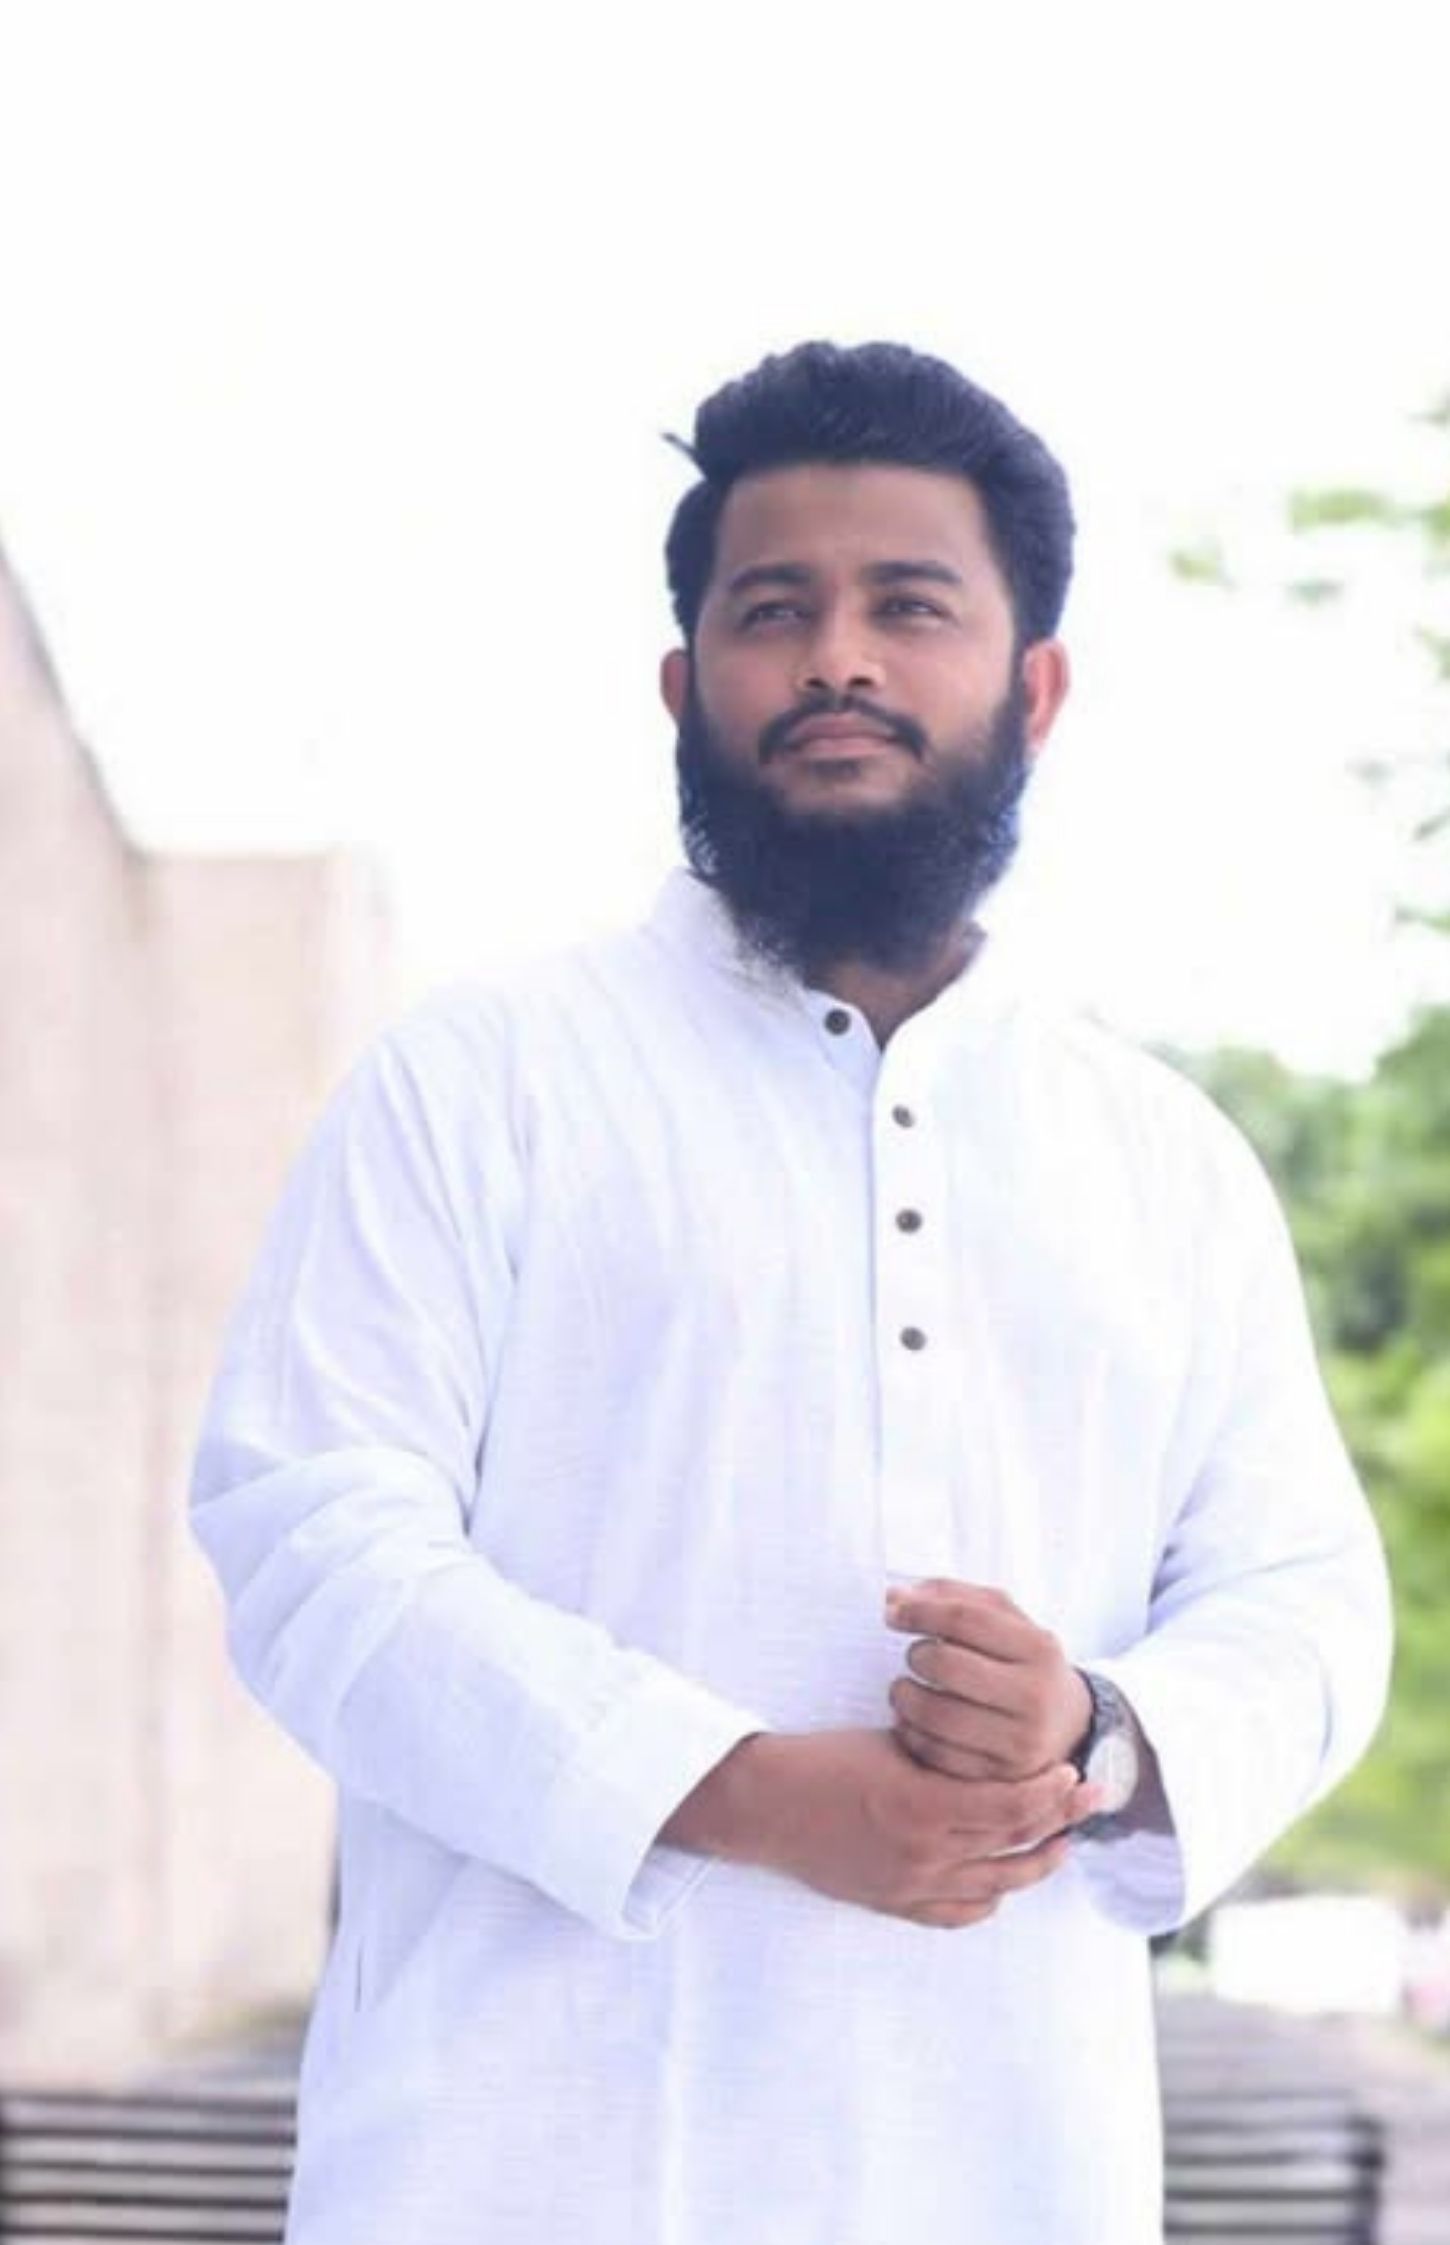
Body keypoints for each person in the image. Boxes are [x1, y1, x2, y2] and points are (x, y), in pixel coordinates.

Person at [190, 340, 1393, 2245]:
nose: (839, 659)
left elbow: (1306, 1603)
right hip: (517, 2176)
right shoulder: (481, 1083)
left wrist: (1093, 1733)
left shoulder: (1162, 1162)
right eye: (774, 610)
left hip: (1007, 2176)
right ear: (684, 686)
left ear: (1032, 685)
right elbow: (314, 1539)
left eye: (908, 605)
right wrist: (739, 1791)